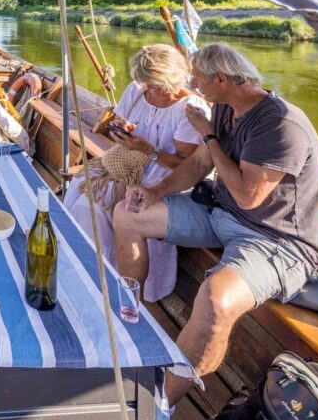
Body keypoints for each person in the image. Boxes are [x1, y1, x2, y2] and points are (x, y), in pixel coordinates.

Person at [112, 43, 318, 416]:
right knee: (127, 214)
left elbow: (248, 195)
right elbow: (200, 164)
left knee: (215, 301)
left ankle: (160, 404)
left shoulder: (280, 125)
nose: (191, 85)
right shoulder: (224, 106)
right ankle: (129, 318)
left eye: (196, 78)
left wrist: (210, 136)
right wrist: (154, 191)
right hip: (219, 212)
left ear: (221, 79)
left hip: (276, 240)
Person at [62, 44, 208, 301]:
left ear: (173, 78)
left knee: (97, 206)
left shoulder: (190, 110)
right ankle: (81, 267)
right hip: (128, 163)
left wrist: (147, 149)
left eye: (156, 84)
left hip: (164, 177)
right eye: (146, 83)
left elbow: (189, 168)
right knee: (80, 186)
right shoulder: (137, 90)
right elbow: (116, 126)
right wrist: (120, 129)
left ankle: (107, 281)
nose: (149, 89)